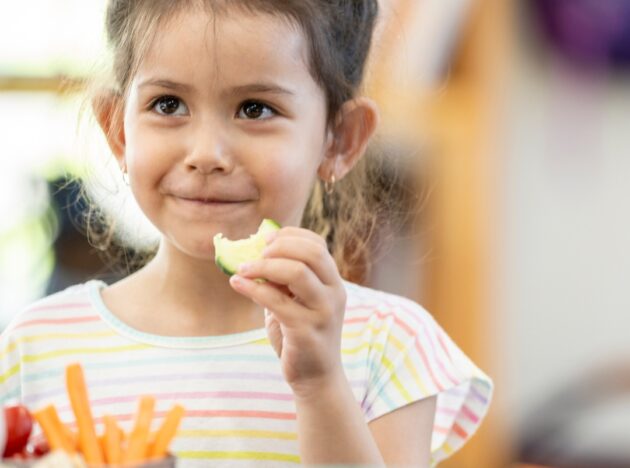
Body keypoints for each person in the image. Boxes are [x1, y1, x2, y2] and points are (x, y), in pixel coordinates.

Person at [0, 1, 493, 466]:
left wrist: (320, 384)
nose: (207, 152)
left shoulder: (389, 345)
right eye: (168, 104)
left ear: (339, 140)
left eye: (255, 109)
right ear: (119, 130)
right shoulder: (38, 346)